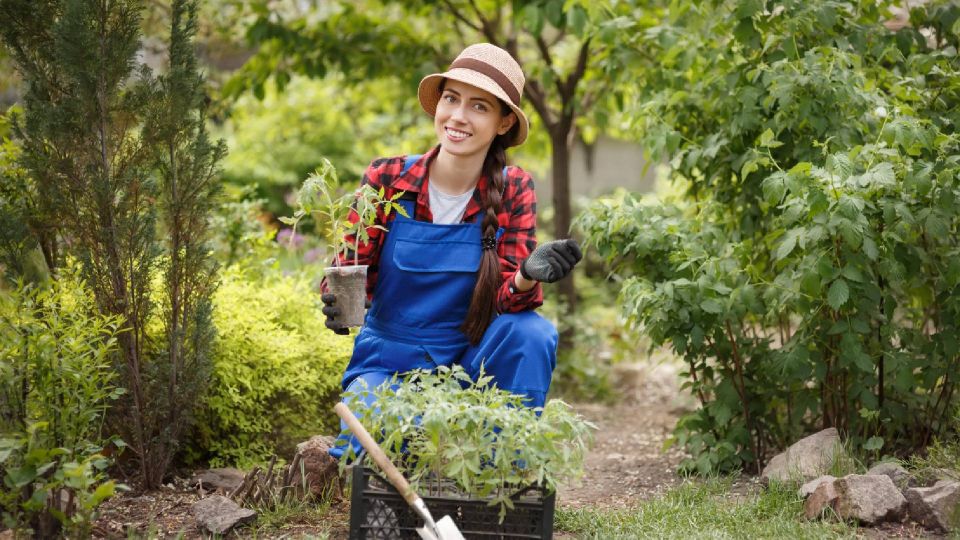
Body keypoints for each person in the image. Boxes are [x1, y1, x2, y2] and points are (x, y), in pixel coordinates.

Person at [321, 43, 582, 459]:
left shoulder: (512, 188)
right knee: (371, 442)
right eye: (451, 98)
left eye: (479, 106)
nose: (458, 116)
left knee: (533, 333)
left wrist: (527, 274)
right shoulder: (388, 178)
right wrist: (335, 297)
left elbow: (506, 303)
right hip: (389, 362)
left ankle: (504, 474)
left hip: (469, 365)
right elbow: (350, 267)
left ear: (502, 123)